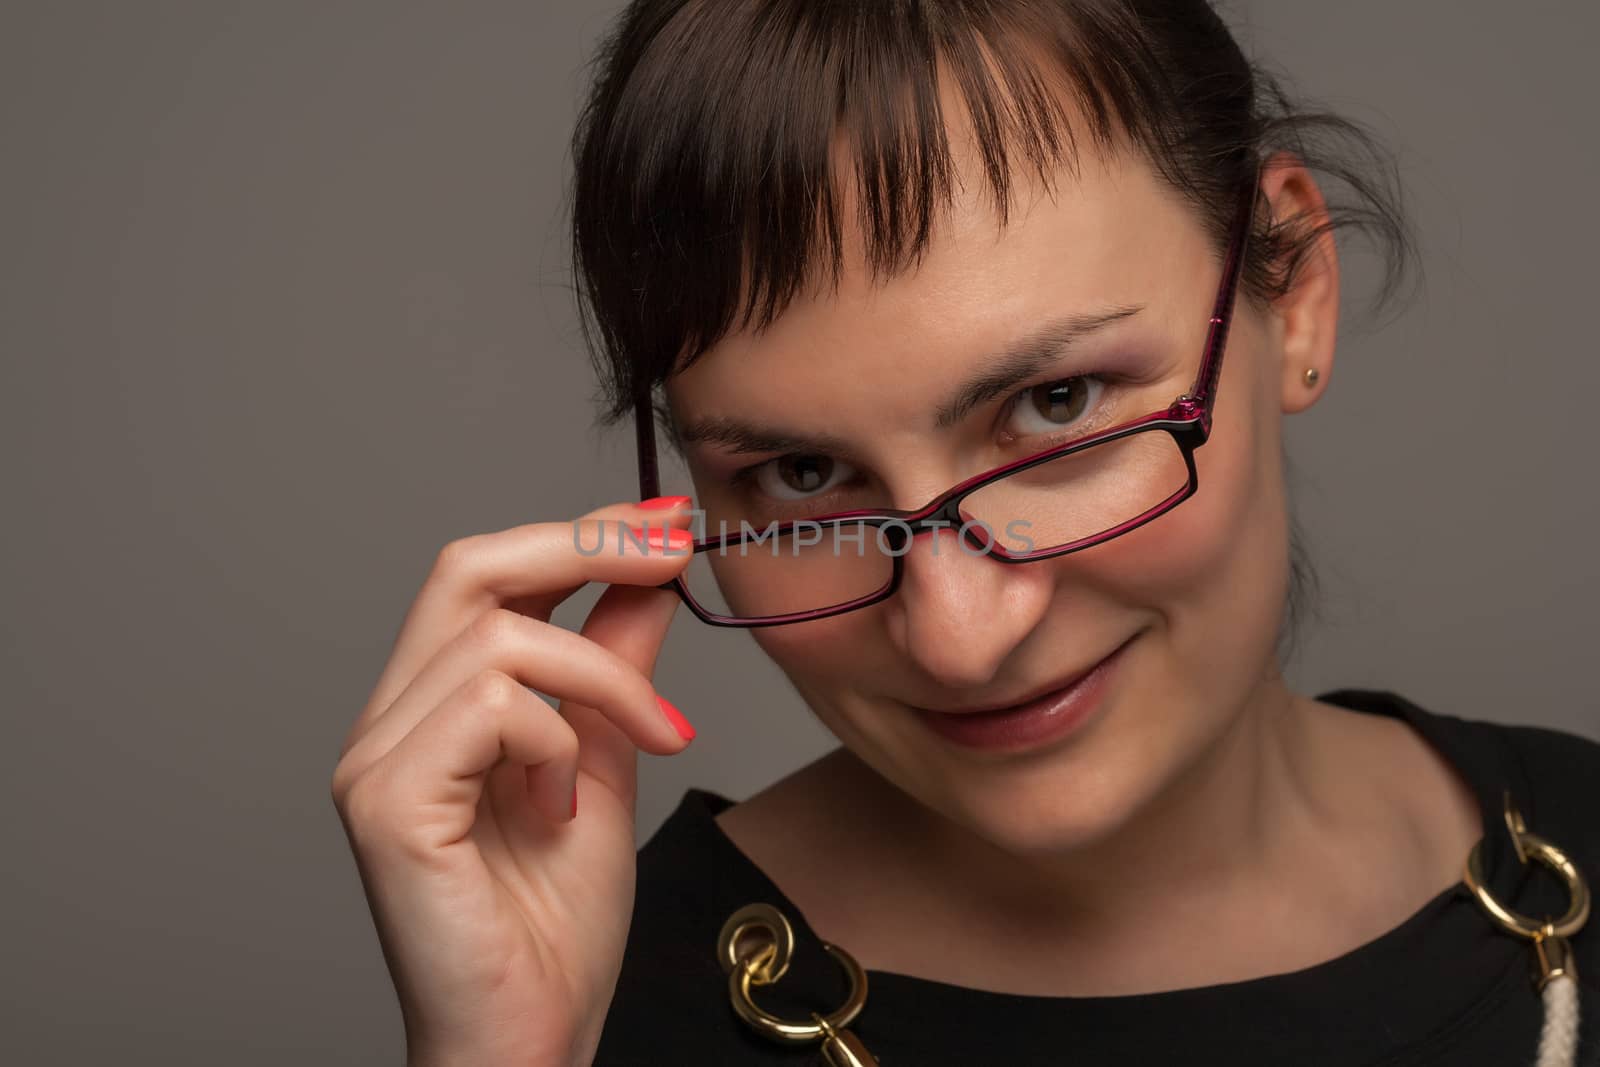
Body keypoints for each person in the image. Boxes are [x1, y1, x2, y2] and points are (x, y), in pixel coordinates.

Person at [330, 1, 1599, 1064]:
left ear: (1295, 283)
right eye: (802, 470)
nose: (956, 635)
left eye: (1054, 405)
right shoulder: (602, 1003)